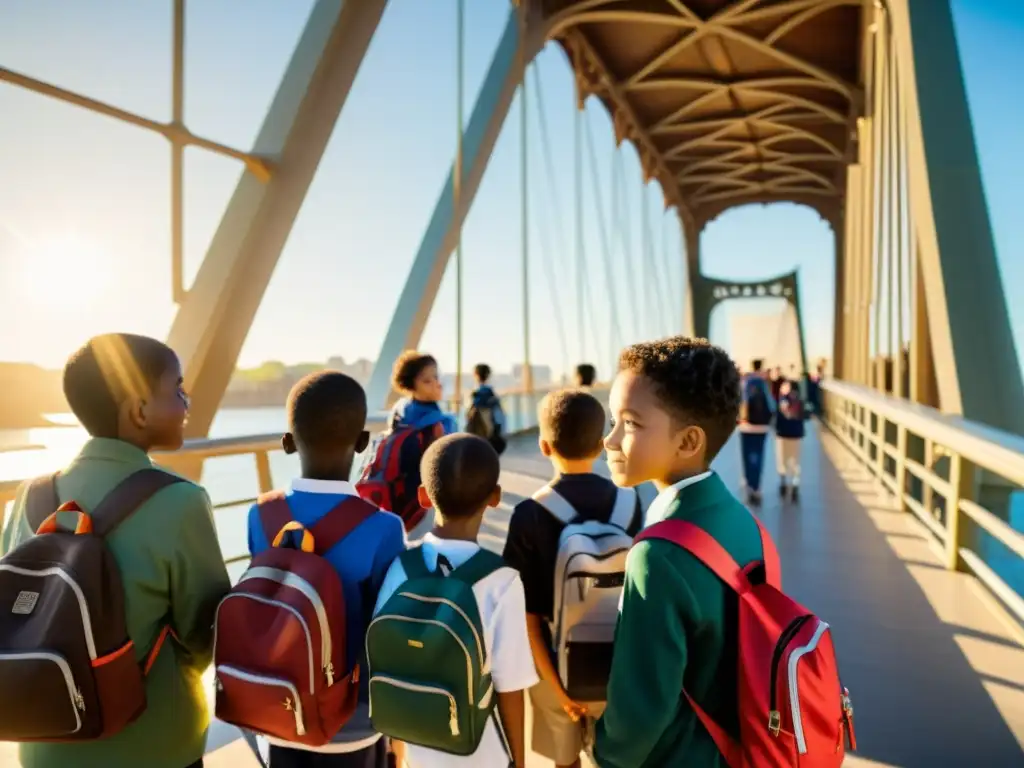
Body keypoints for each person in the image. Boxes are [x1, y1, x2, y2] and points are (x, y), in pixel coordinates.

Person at [1, 334, 231, 768]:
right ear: (139, 411)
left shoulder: (29, 494)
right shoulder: (180, 500)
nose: (186, 402)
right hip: (153, 744)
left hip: (44, 741)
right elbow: (207, 633)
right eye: (177, 389)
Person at [594, 336, 764, 767]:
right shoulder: (744, 522)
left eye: (629, 424)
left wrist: (603, 754)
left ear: (689, 442)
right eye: (612, 420)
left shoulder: (659, 556)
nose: (609, 440)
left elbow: (641, 709)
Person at [247, 371, 406, 768]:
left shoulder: (261, 515)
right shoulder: (385, 528)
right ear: (363, 443)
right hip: (352, 723)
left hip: (278, 709)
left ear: (287, 442)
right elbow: (386, 634)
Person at [373, 434, 537, 768]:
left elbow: (387, 659)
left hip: (418, 749)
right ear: (495, 498)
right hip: (481, 752)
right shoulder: (502, 581)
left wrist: (399, 754)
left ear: (422, 496)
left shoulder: (401, 567)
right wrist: (519, 761)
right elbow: (511, 687)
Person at [503, 389, 642, 768]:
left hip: (555, 666)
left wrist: (558, 688)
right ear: (601, 445)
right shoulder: (631, 502)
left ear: (544, 446)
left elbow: (526, 619)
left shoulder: (529, 514)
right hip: (618, 667)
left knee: (564, 762)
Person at [359, 351, 456, 539]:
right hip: (427, 499)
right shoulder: (441, 423)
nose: (437, 384)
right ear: (412, 386)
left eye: (436, 377)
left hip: (395, 495)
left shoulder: (398, 412)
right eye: (427, 381)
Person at [737, 358, 776, 505]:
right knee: (759, 456)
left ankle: (748, 484)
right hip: (762, 426)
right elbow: (771, 404)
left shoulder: (746, 380)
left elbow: (741, 401)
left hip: (746, 425)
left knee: (747, 455)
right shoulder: (764, 382)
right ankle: (757, 487)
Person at [775, 378, 806, 501]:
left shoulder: (784, 399)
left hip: (783, 434)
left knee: (782, 460)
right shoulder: (800, 400)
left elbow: (781, 413)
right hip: (796, 435)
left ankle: (783, 483)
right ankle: (795, 484)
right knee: (795, 461)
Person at [465, 363, 506, 454]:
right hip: (490, 439)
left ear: (475, 375)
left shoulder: (473, 396)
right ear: (488, 376)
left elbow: (467, 417)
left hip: (474, 439)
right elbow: (500, 419)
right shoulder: (493, 396)